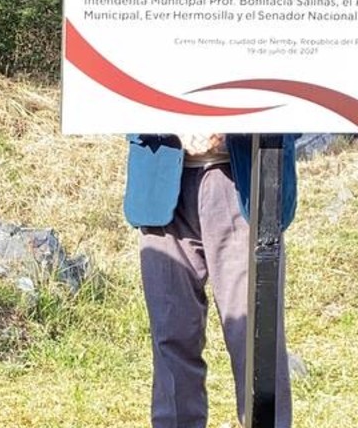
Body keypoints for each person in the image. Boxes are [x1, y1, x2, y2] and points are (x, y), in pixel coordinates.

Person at [123, 133, 297, 428]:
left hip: (246, 181)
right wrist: (177, 124)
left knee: (255, 338)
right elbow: (109, 96)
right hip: (160, 182)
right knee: (171, 336)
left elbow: (301, 99)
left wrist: (227, 122)